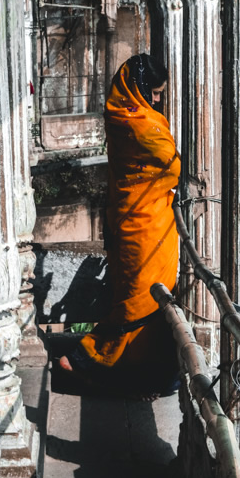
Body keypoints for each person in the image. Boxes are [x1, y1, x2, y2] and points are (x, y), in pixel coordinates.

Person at [59, 54, 180, 397]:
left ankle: (134, 373)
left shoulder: (123, 113)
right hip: (144, 225)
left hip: (141, 220)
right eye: (154, 92)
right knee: (139, 302)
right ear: (141, 88)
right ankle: (83, 358)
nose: (157, 99)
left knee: (145, 299)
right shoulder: (141, 124)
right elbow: (172, 164)